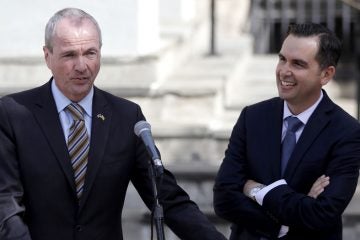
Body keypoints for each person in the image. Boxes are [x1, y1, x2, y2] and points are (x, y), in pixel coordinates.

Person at [0, 8, 227, 240]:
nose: (81, 66)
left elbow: (168, 199)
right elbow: (6, 207)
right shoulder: (13, 114)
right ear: (47, 56)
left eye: (90, 53)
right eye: (69, 55)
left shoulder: (127, 117)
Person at [213, 22, 360, 240]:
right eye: (282, 59)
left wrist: (256, 190)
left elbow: (321, 214)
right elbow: (224, 198)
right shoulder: (252, 117)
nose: (284, 71)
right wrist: (281, 222)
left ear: (326, 75)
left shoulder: (346, 131)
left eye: (298, 64)